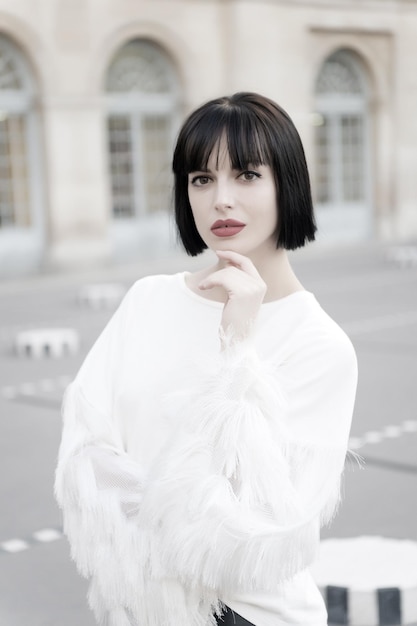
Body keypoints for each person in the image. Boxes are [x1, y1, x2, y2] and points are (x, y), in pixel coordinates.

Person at [55, 92, 358, 626]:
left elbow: (252, 533)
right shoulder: (148, 299)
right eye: (201, 179)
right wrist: (162, 531)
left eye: (245, 175)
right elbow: (83, 454)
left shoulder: (320, 344)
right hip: (139, 608)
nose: (221, 199)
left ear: (286, 183)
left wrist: (237, 348)